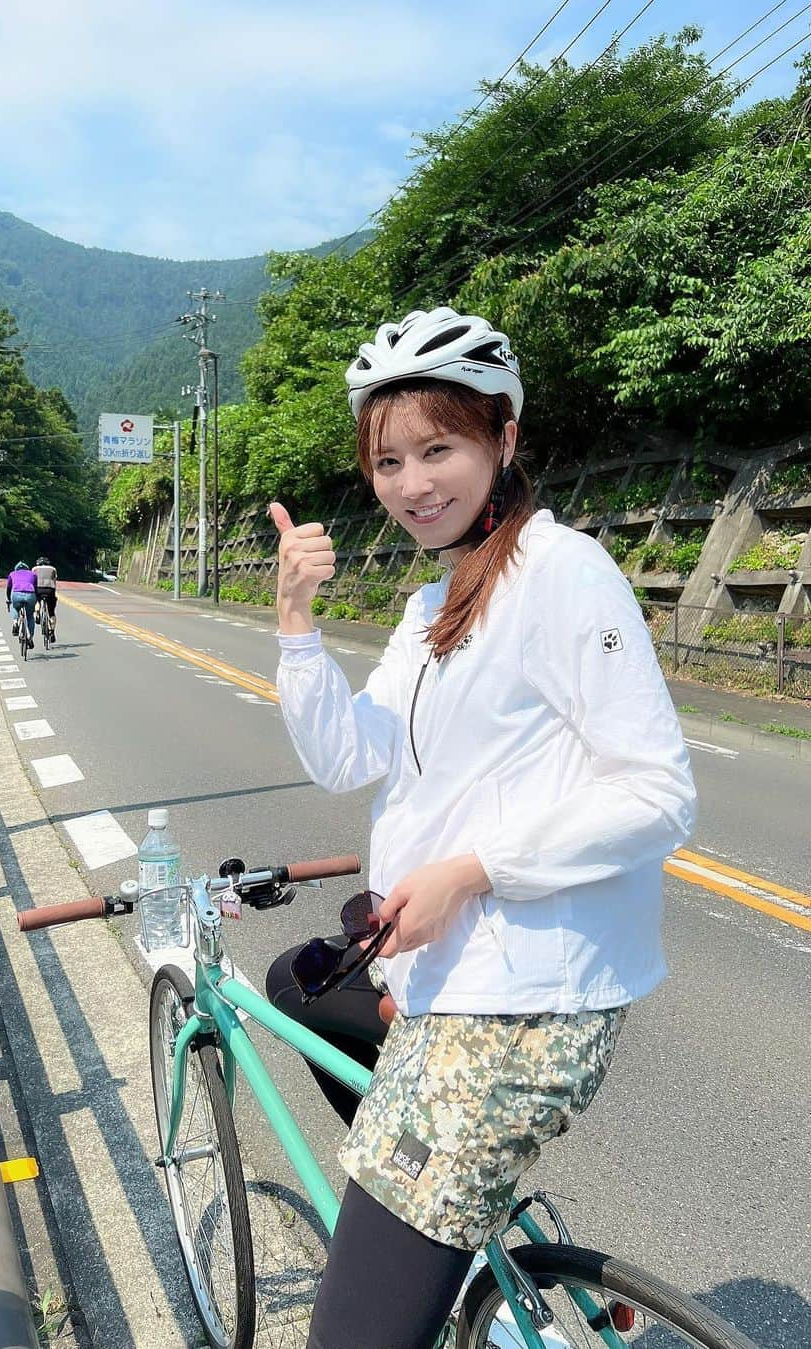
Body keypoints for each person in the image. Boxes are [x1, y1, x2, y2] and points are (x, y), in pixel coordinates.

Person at [264, 307, 697, 1349]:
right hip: (447, 977)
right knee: (295, 987)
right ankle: (457, 1220)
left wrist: (470, 869)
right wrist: (294, 624)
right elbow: (350, 755)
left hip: (519, 1006)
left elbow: (658, 789)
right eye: (389, 459)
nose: (414, 483)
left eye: (439, 448)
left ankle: (430, 1203)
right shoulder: (430, 604)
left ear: (503, 435)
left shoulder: (563, 571)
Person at [6, 560, 37, 646]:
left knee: (14, 606)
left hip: (16, 594)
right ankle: (30, 637)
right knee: (30, 616)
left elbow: (8, 588)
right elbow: (36, 588)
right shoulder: (33, 574)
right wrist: (36, 600)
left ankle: (15, 622)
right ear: (27, 569)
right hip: (30, 595)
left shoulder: (12, 574)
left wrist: (9, 599)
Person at [33, 555, 58, 638]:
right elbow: (54, 580)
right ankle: (52, 631)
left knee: (37, 601)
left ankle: (37, 613)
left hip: (38, 589)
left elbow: (32, 580)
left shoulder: (34, 569)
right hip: (50, 589)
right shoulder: (53, 569)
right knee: (51, 612)